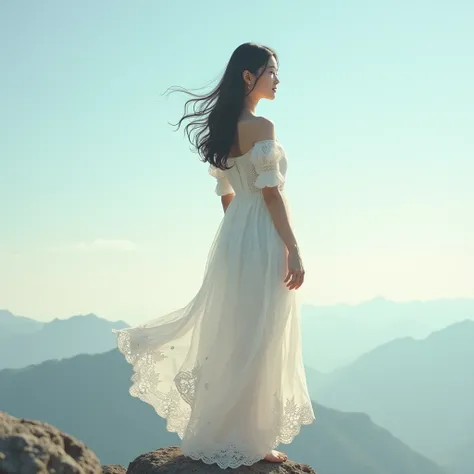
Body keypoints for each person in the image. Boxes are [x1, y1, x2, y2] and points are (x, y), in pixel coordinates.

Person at [112, 42, 315, 470]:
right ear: (248, 75)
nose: (278, 79)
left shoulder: (224, 128)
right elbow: (272, 194)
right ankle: (254, 440)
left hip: (235, 235)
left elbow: (227, 195)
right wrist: (291, 248)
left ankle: (223, 431)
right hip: (261, 233)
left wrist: (239, 234)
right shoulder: (262, 127)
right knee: (262, 333)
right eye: (272, 71)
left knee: (237, 329)